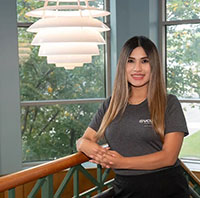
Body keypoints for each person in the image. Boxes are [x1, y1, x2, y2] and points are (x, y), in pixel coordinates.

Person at [76, 36, 190, 198]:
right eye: (130, 61)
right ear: (123, 66)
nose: (137, 68)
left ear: (154, 66)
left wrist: (121, 162)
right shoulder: (111, 104)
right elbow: (84, 139)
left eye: (144, 61)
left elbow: (168, 157)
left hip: (165, 188)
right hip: (124, 186)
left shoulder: (169, 103)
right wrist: (94, 150)